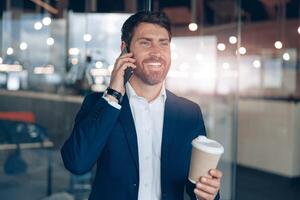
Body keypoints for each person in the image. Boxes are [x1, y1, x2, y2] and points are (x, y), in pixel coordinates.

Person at [61, 11, 222, 200]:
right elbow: (77, 163)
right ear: (125, 49)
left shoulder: (188, 113)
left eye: (163, 44)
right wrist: (113, 94)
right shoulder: (100, 105)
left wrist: (208, 193)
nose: (156, 52)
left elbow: (197, 186)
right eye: (145, 42)